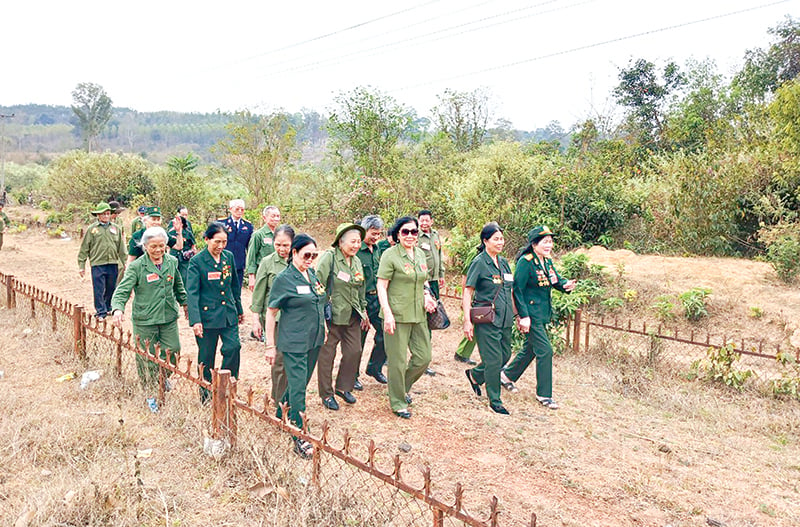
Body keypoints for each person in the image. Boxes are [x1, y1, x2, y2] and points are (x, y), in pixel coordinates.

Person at [110, 227, 187, 413]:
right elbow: (122, 290)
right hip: (145, 318)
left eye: (162, 246)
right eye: (153, 246)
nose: (158, 250)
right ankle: (150, 393)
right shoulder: (137, 266)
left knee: (174, 350)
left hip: (168, 316)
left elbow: (178, 285)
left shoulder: (172, 261)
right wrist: (117, 309)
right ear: (145, 246)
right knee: (146, 357)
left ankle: (162, 377)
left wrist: (185, 304)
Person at [264, 234, 325, 459]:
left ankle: (282, 414)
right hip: (294, 342)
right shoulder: (284, 279)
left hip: (314, 340)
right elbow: (271, 313)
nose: (310, 259)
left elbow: (319, 302)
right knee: (299, 388)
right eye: (306, 255)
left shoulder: (312, 275)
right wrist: (270, 346)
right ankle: (300, 435)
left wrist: (324, 329)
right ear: (294, 254)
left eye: (314, 255)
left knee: (301, 383)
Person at [502, 226, 576, 410]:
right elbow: (517, 289)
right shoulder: (526, 262)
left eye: (550, 242)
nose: (549, 245)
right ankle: (544, 394)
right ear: (534, 244)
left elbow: (555, 280)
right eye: (545, 242)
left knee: (531, 349)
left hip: (543, 313)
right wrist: (522, 316)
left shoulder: (547, 261)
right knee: (545, 350)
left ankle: (506, 376)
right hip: (531, 314)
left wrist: (565, 285)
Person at [376, 216, 437, 419]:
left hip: (418, 313)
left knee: (423, 357)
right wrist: (387, 314)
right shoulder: (390, 255)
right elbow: (381, 286)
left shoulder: (420, 254)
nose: (410, 235)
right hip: (397, 314)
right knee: (397, 361)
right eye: (405, 231)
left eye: (414, 231)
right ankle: (398, 402)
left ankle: (402, 387)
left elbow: (424, 281)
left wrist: (428, 296)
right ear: (398, 234)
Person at [186, 222, 244, 403]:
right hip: (207, 317)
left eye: (224, 242)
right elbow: (192, 293)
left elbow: (234, 285)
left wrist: (239, 309)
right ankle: (206, 394)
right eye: (216, 242)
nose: (220, 246)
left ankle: (227, 385)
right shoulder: (197, 261)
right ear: (206, 240)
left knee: (234, 347)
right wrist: (196, 321)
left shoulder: (228, 257)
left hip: (228, 313)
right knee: (206, 356)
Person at [462, 223, 516, 415]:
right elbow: (468, 291)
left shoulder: (504, 263)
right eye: (496, 239)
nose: (500, 242)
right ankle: (495, 399)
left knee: (505, 355)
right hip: (486, 318)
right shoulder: (479, 262)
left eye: (502, 238)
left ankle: (475, 375)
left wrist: (517, 315)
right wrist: (467, 320)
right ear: (485, 241)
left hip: (505, 318)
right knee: (493, 360)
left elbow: (510, 291)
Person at [316, 223, 369, 410]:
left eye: (359, 242)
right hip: (332, 316)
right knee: (326, 356)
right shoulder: (329, 259)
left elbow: (360, 288)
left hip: (352, 315)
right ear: (340, 242)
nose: (356, 245)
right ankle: (326, 394)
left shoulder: (356, 261)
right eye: (353, 242)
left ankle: (343, 387)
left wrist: (364, 311)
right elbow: (318, 286)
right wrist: (320, 315)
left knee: (355, 351)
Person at [250, 224, 295, 404]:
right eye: (278, 245)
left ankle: (292, 397)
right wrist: (256, 320)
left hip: (295, 319)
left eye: (286, 245)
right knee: (278, 362)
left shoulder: (299, 260)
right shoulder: (268, 262)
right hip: (275, 319)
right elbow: (259, 294)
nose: (282, 249)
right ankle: (278, 402)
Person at [77, 202, 127, 319]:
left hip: (112, 263)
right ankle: (100, 312)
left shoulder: (116, 229)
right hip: (97, 263)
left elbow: (121, 248)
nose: (105, 216)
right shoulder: (92, 229)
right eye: (103, 214)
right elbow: (84, 248)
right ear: (98, 215)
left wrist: (125, 262)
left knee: (111, 287)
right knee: (99, 289)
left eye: (108, 213)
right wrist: (81, 265)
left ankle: (108, 307)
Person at [357, 215, 388, 385]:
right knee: (358, 340)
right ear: (364, 231)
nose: (376, 237)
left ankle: (374, 367)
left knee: (385, 332)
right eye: (373, 233)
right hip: (361, 300)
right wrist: (361, 310)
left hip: (376, 298)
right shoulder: (356, 250)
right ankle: (352, 376)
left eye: (379, 234)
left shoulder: (377, 250)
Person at [220, 199, 253, 293]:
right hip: (225, 262)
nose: (239, 211)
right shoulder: (222, 224)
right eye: (237, 209)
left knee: (237, 290)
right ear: (230, 209)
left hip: (239, 263)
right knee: (224, 288)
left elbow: (249, 246)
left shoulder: (248, 226)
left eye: (242, 209)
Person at [454, 245, 479, 365]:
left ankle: (462, 352)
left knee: (477, 323)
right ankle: (462, 353)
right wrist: (464, 298)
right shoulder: (476, 252)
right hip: (474, 294)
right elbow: (465, 275)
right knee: (474, 321)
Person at [246, 205, 281, 291]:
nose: (276, 219)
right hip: (263, 273)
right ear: (264, 218)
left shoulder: (280, 234)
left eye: (278, 216)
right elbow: (251, 256)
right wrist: (251, 277)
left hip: (278, 273)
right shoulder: (258, 235)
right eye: (273, 216)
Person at [417, 210, 445, 299]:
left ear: (431, 221)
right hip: (423, 279)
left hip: (434, 278)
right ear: (418, 221)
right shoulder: (415, 236)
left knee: (436, 303)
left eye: (427, 220)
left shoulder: (435, 234)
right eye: (422, 221)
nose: (424, 223)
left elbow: (439, 255)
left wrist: (441, 275)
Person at [168, 213, 196, 285]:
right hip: (173, 256)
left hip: (184, 259)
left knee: (184, 277)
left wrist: (192, 255)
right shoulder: (171, 232)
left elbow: (193, 246)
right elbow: (168, 247)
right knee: (172, 276)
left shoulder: (188, 233)